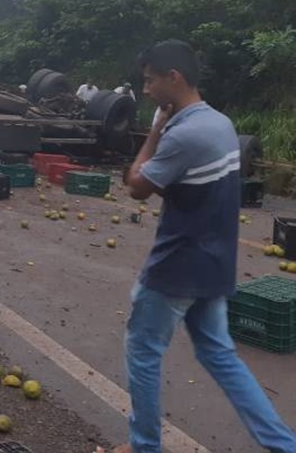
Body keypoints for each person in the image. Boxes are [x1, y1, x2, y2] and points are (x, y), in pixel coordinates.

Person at [99, 40, 296, 453]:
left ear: (174, 77)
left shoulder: (184, 135)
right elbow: (184, 186)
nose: (146, 90)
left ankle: (144, 447)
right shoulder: (221, 124)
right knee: (220, 355)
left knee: (143, 351)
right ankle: (284, 445)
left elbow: (136, 186)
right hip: (214, 266)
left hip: (177, 267)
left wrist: (154, 131)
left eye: (150, 81)